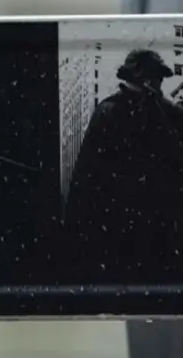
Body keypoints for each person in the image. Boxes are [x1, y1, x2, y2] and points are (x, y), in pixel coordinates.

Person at [64, 48, 183, 276]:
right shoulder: (114, 111)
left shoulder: (154, 108)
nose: (159, 84)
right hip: (124, 221)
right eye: (156, 77)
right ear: (144, 77)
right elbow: (89, 174)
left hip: (146, 221)